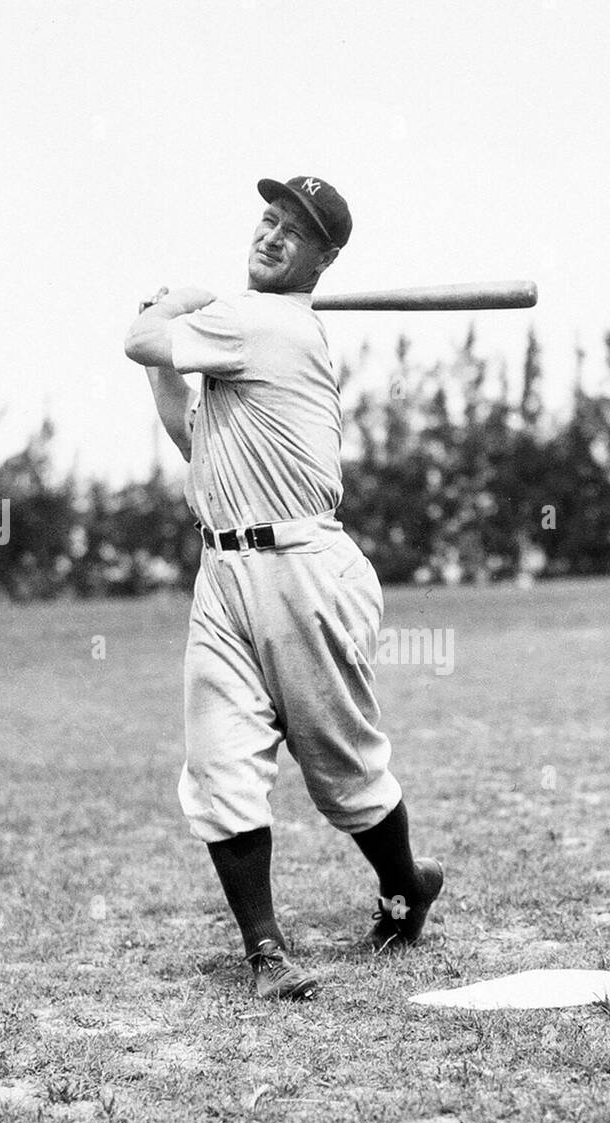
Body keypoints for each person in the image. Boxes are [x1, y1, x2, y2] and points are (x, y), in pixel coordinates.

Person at [124, 175, 443, 1000]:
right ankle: (266, 954)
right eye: (266, 219)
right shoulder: (249, 331)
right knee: (219, 762)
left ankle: (409, 886)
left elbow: (141, 338)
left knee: (342, 770)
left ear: (323, 259)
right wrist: (172, 342)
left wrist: (176, 300)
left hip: (304, 569)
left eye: (292, 232)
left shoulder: (258, 321)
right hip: (223, 573)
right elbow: (196, 442)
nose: (269, 235)